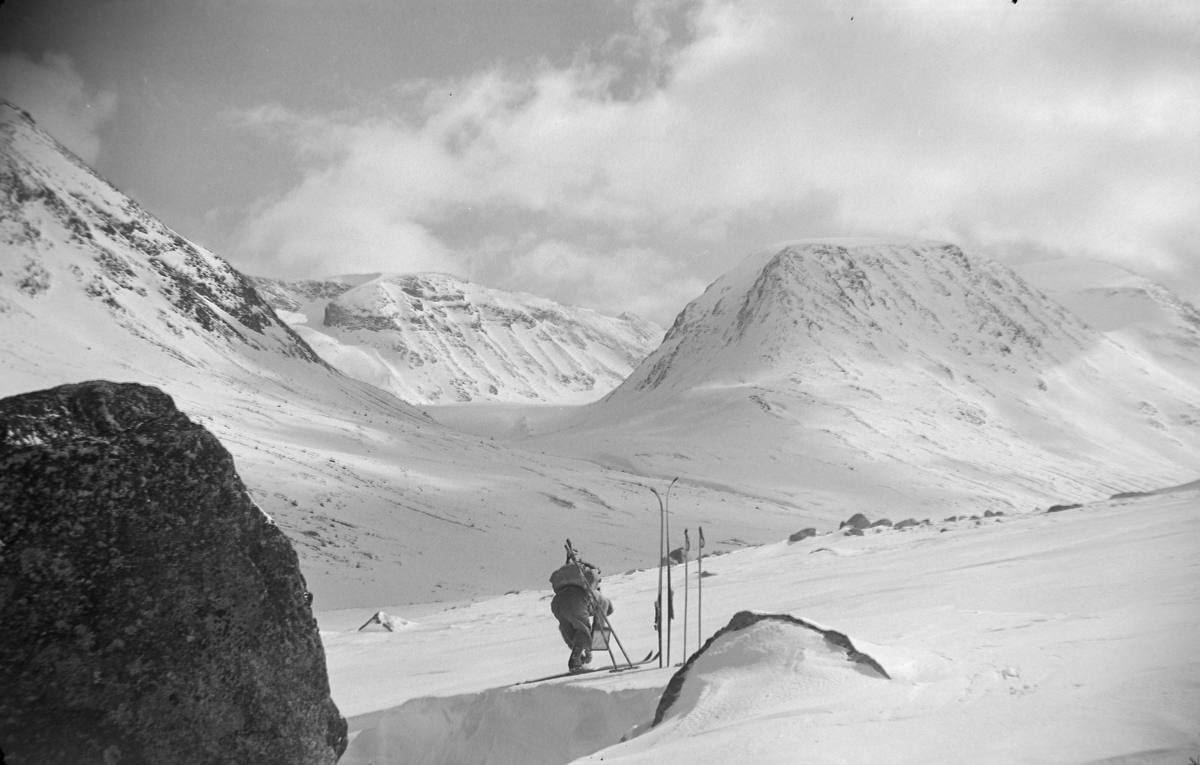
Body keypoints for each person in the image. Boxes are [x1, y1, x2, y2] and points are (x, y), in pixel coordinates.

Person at [550, 562, 614, 671]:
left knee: (572, 631)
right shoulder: (603, 601)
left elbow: (569, 634)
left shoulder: (590, 593)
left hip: (557, 603)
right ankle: (575, 661)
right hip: (577, 601)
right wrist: (592, 647)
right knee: (583, 631)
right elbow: (599, 626)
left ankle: (577, 658)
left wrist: (580, 649)